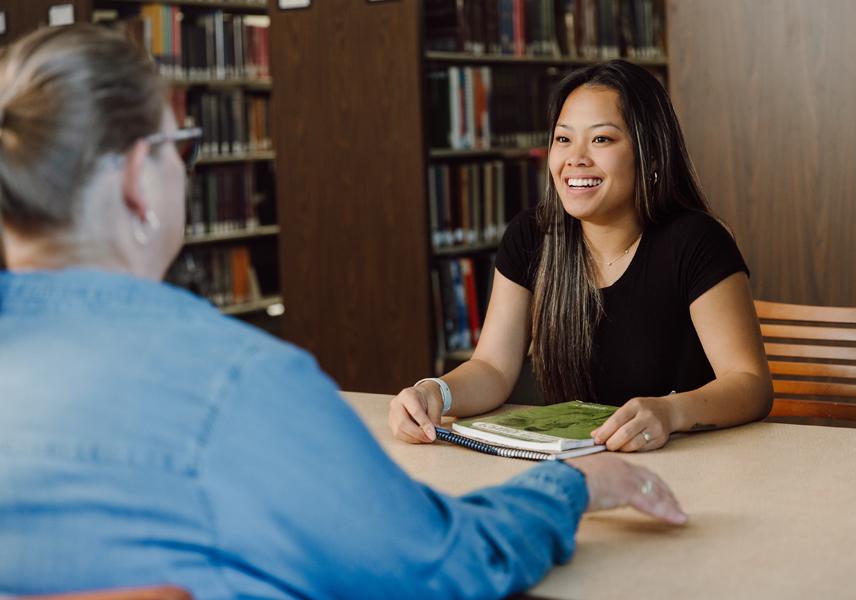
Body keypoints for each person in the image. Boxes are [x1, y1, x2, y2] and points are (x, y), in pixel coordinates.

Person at [0, 25, 687, 598]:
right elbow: (439, 567)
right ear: (135, 180)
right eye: (182, 148)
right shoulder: (242, 384)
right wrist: (570, 487)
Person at [390, 61, 773, 452]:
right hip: (578, 464)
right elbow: (492, 367)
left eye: (602, 140)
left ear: (652, 156)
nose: (575, 158)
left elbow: (750, 383)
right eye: (563, 139)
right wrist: (436, 393)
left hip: (687, 463)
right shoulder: (531, 236)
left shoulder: (696, 241)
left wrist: (670, 412)